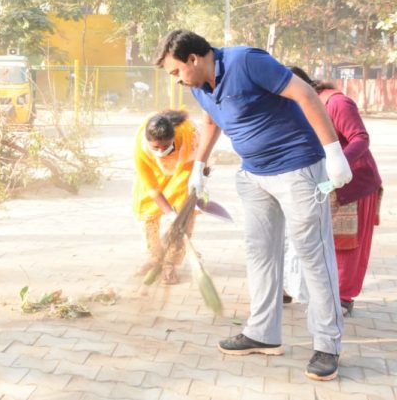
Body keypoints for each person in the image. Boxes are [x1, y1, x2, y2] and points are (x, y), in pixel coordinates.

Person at [154, 30, 352, 381]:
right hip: (254, 176)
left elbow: (305, 94)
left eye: (176, 72)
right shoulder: (200, 86)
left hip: (298, 170)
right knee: (260, 253)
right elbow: (212, 121)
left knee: (312, 255)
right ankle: (263, 332)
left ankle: (327, 344)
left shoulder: (247, 61)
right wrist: (198, 167)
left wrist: (334, 153)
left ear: (194, 59)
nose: (177, 80)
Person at [285, 66, 382, 317]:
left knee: (347, 242)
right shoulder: (298, 107)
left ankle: (343, 297)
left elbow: (360, 137)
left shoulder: (336, 102)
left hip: (355, 182)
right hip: (324, 184)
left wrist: (338, 163)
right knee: (315, 238)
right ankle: (297, 286)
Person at [132, 110, 198, 284]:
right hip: (155, 173)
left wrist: (179, 214)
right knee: (147, 213)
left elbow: (201, 159)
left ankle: (170, 263)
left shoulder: (189, 138)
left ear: (173, 138)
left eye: (166, 146)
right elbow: (152, 188)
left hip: (185, 169)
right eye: (156, 148)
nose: (161, 151)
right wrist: (169, 212)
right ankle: (154, 258)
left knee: (183, 217)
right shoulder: (141, 149)